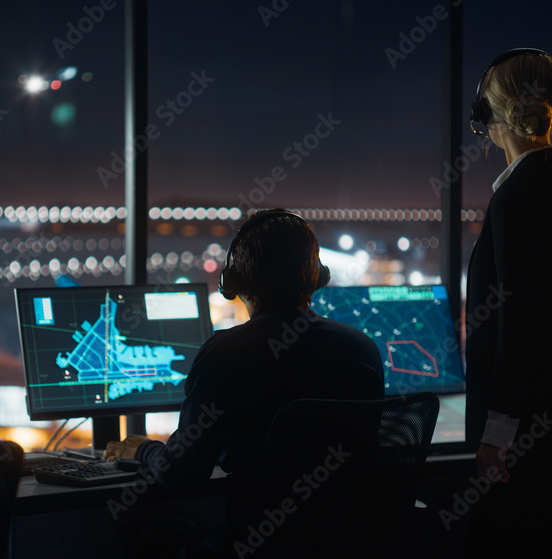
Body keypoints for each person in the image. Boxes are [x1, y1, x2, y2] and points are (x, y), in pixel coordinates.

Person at [103, 208, 385, 553]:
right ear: (316, 276)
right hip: (352, 541)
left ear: (233, 282)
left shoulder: (226, 354)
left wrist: (143, 449)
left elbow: (183, 473)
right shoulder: (361, 349)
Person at [464, 49, 552, 557]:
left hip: (517, 424)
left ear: (488, 117)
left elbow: (517, 325)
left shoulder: (518, 195)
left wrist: (498, 432)